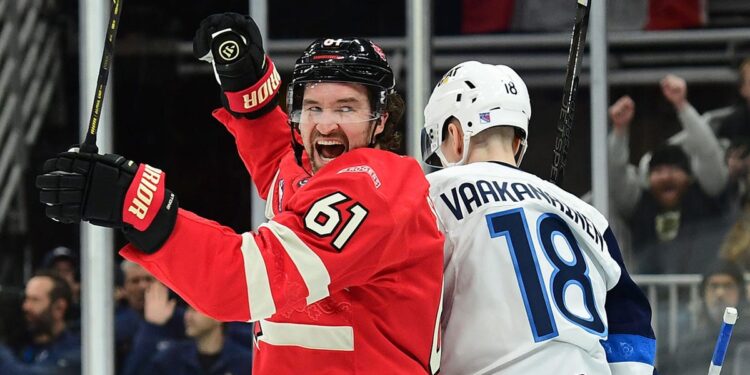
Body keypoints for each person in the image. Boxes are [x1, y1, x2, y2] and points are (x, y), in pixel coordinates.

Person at [36, 12, 444, 374]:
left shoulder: (376, 186)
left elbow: (242, 283)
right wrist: (249, 84)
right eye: (312, 107)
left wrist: (134, 203)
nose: (325, 125)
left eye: (346, 108)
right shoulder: (314, 176)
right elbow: (279, 163)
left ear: (380, 120)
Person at [421, 61, 656, 374]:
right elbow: (630, 327)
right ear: (519, 142)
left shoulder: (432, 193)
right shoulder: (587, 215)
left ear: (456, 135)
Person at [607, 75, 729, 272]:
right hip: (652, 298)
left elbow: (708, 152)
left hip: (705, 295)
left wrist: (682, 105)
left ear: (689, 176)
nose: (665, 176)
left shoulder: (707, 194)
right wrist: (620, 131)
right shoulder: (640, 204)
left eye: (673, 169)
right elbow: (614, 174)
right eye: (657, 171)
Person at [663, 260, 750, 375]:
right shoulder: (688, 345)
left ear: (741, 293)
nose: (720, 293)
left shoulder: (747, 338)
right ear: (703, 293)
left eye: (728, 286)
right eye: (714, 286)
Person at [0, 271, 80, 375]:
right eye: (26, 299)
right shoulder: (19, 345)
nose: (26, 307)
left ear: (59, 308)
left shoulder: (75, 351)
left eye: (35, 300)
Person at [143, 304, 253, 375]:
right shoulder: (169, 359)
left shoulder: (246, 364)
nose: (187, 316)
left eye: (194, 309)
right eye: (187, 309)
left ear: (219, 315)